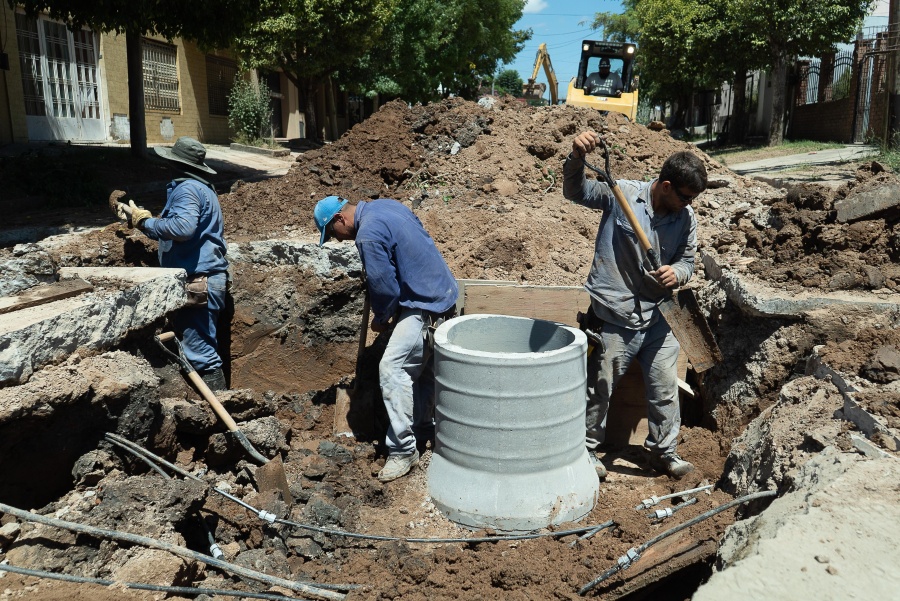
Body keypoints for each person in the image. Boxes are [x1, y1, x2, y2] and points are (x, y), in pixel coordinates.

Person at [563, 131, 707, 479]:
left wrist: (678, 273)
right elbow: (576, 191)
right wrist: (576, 158)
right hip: (615, 313)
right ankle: (585, 452)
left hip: (659, 317)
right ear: (667, 185)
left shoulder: (686, 220)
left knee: (664, 389)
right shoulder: (622, 194)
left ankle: (663, 453)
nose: (689, 204)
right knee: (601, 387)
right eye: (685, 197)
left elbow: (688, 260)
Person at [314, 196, 458, 483]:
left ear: (340, 220)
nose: (338, 240)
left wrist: (382, 317)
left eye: (332, 234)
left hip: (423, 304)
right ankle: (423, 430)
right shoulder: (385, 207)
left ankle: (404, 450)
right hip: (444, 294)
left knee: (392, 369)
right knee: (425, 372)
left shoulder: (367, 235)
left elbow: (383, 284)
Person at [115, 137, 229, 391]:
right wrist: (142, 221)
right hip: (206, 279)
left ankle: (221, 417)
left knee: (201, 354)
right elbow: (183, 229)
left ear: (174, 162)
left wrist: (145, 222)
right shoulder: (202, 189)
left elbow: (182, 227)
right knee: (201, 347)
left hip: (200, 281)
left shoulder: (187, 189)